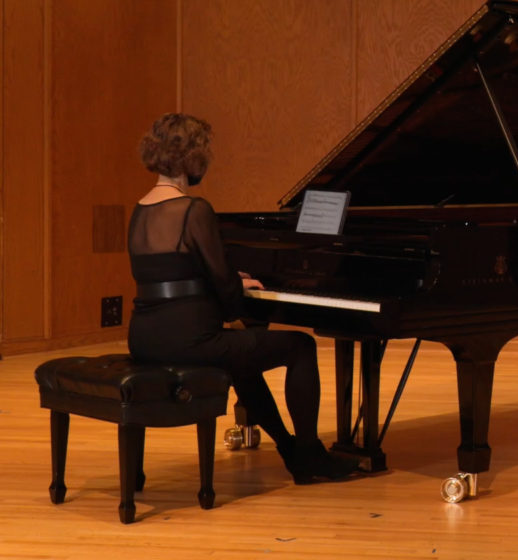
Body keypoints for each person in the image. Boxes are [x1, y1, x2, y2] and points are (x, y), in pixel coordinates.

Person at [125, 114, 362, 483]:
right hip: (191, 343)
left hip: (144, 340)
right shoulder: (194, 210)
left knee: (241, 363)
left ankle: (290, 451)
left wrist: (228, 287)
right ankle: (309, 453)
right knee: (300, 346)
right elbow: (224, 287)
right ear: (192, 158)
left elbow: (177, 274)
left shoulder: (139, 211)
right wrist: (238, 302)